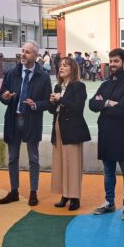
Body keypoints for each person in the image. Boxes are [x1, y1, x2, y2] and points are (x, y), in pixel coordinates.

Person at [0, 41, 51, 206]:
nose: (23, 54)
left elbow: (48, 102)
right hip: (13, 121)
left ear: (35, 56)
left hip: (31, 121)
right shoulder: (11, 73)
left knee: (33, 159)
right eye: (22, 51)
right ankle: (14, 191)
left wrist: (35, 104)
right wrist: (5, 97)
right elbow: (2, 94)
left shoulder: (43, 76)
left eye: (27, 52)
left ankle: (33, 192)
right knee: (12, 158)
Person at [89, 48, 124, 220]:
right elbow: (91, 104)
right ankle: (109, 203)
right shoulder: (105, 85)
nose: (112, 65)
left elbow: (123, 110)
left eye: (116, 61)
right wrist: (109, 103)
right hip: (106, 135)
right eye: (110, 61)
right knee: (108, 172)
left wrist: (103, 105)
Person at [48, 56, 91, 211]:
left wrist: (61, 100)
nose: (61, 68)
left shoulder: (78, 86)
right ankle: (65, 194)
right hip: (58, 127)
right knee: (60, 162)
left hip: (72, 129)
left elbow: (78, 108)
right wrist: (52, 102)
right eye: (60, 65)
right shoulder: (58, 87)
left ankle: (74, 197)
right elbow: (53, 110)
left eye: (65, 65)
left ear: (72, 69)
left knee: (72, 163)